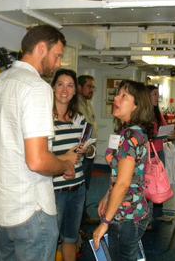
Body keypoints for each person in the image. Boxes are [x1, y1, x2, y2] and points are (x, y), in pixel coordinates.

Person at [0, 25, 77, 261]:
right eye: (57, 56)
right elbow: (36, 160)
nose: (57, 64)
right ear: (41, 48)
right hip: (29, 210)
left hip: (1, 206)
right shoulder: (36, 87)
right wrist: (65, 166)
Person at [92, 80, 154, 261]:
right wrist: (107, 196)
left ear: (136, 106)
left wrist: (105, 223)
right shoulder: (134, 132)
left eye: (123, 96)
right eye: (117, 94)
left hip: (125, 216)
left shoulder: (129, 136)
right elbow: (122, 176)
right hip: (135, 211)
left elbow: (124, 182)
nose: (116, 99)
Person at [51, 69, 96, 261]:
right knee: (51, 240)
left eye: (70, 85)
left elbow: (91, 150)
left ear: (74, 91)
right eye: (60, 84)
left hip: (78, 190)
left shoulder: (79, 120)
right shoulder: (44, 120)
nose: (64, 89)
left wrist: (88, 151)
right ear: (53, 88)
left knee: (71, 238)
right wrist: (65, 158)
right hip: (55, 190)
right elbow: (38, 157)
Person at [146, 85, 175, 223]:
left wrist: (171, 134)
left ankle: (158, 213)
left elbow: (164, 129)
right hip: (147, 154)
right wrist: (157, 136)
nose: (157, 97)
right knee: (147, 183)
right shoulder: (143, 115)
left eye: (157, 94)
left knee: (158, 182)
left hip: (159, 151)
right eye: (154, 94)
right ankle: (144, 216)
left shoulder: (157, 113)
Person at [77, 75, 98, 223]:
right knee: (80, 187)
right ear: (80, 87)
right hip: (81, 154)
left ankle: (82, 217)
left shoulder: (87, 103)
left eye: (93, 87)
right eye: (89, 86)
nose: (92, 90)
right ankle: (79, 220)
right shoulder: (76, 106)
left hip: (90, 152)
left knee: (85, 186)